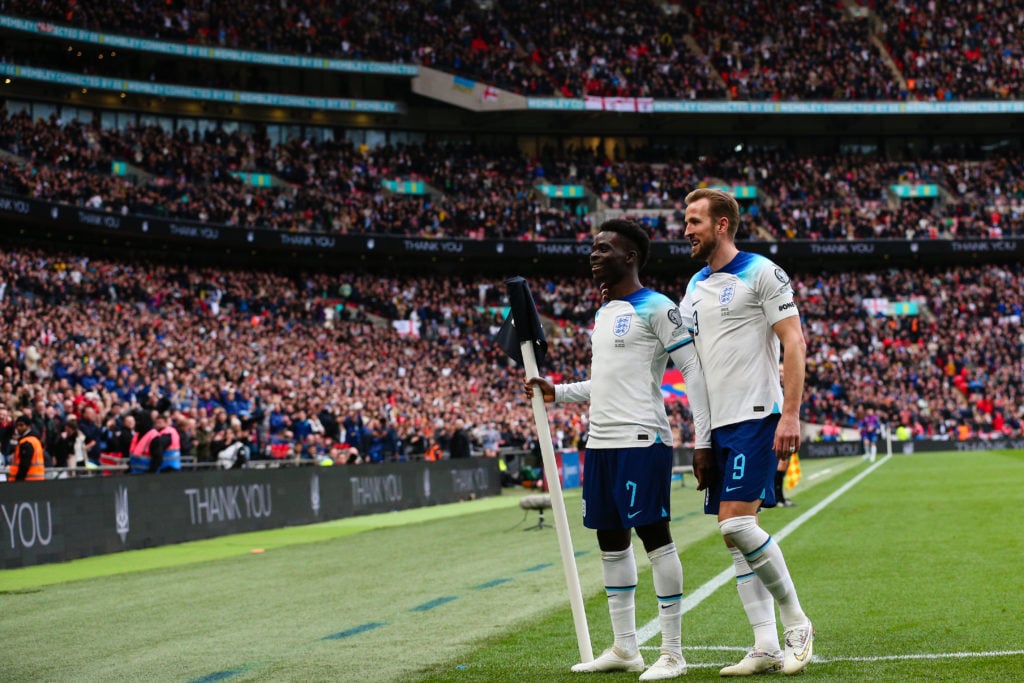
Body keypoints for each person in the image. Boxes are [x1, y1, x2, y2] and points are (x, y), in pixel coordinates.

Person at [525, 219, 710, 680]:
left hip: (642, 440)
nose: (593, 255)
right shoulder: (604, 312)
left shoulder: (658, 307)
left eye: (603, 249)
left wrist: (703, 440)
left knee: (655, 537)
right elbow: (606, 382)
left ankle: (672, 652)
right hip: (601, 442)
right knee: (610, 542)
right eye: (593, 248)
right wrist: (557, 391)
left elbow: (693, 371)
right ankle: (626, 648)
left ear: (629, 257)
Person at [679, 188, 814, 676]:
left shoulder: (761, 271)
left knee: (738, 525)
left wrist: (791, 414)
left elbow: (794, 343)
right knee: (731, 536)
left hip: (757, 415)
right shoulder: (693, 286)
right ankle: (764, 645)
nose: (686, 229)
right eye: (686, 221)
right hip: (718, 427)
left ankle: (797, 622)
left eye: (694, 221)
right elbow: (686, 363)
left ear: (721, 225)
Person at [9, 414, 46, 481]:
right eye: (17, 425)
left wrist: (18, 480)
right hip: (37, 479)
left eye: (21, 425)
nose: (18, 428)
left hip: (27, 480)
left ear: (28, 426)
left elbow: (25, 464)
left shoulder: (26, 442)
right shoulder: (35, 440)